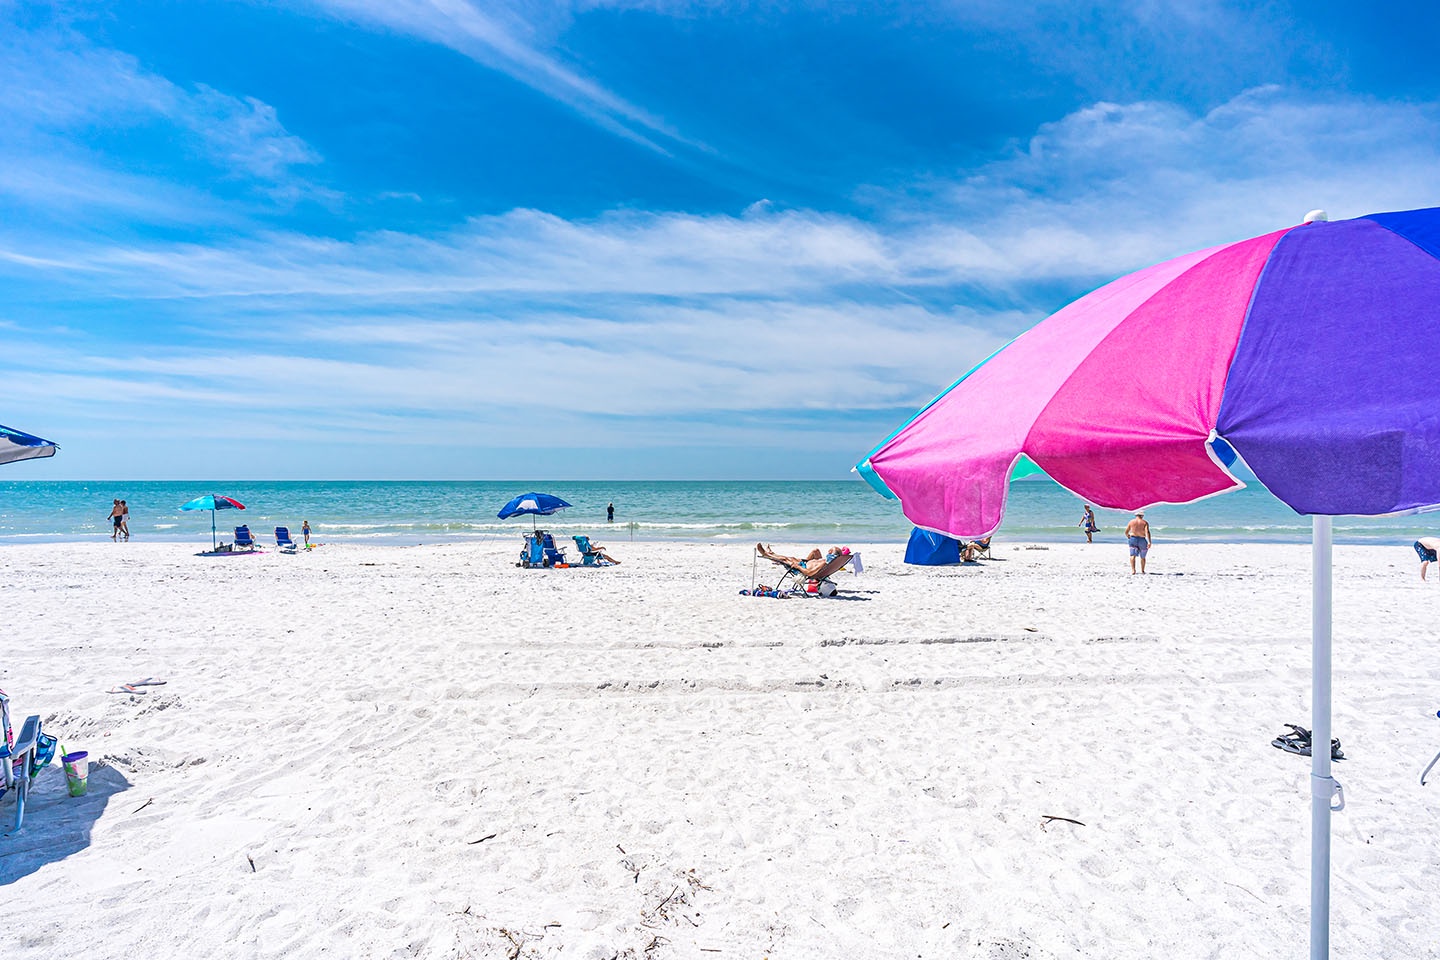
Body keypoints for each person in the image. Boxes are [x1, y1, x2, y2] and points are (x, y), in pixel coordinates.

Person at [755, 543, 850, 576]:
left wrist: (797, 566)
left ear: (832, 555)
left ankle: (766, 554)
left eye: (829, 552)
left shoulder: (824, 564)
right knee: (791, 558)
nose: (828, 552)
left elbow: (809, 573)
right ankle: (771, 554)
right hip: (806, 564)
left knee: (786, 559)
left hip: (802, 568)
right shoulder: (830, 562)